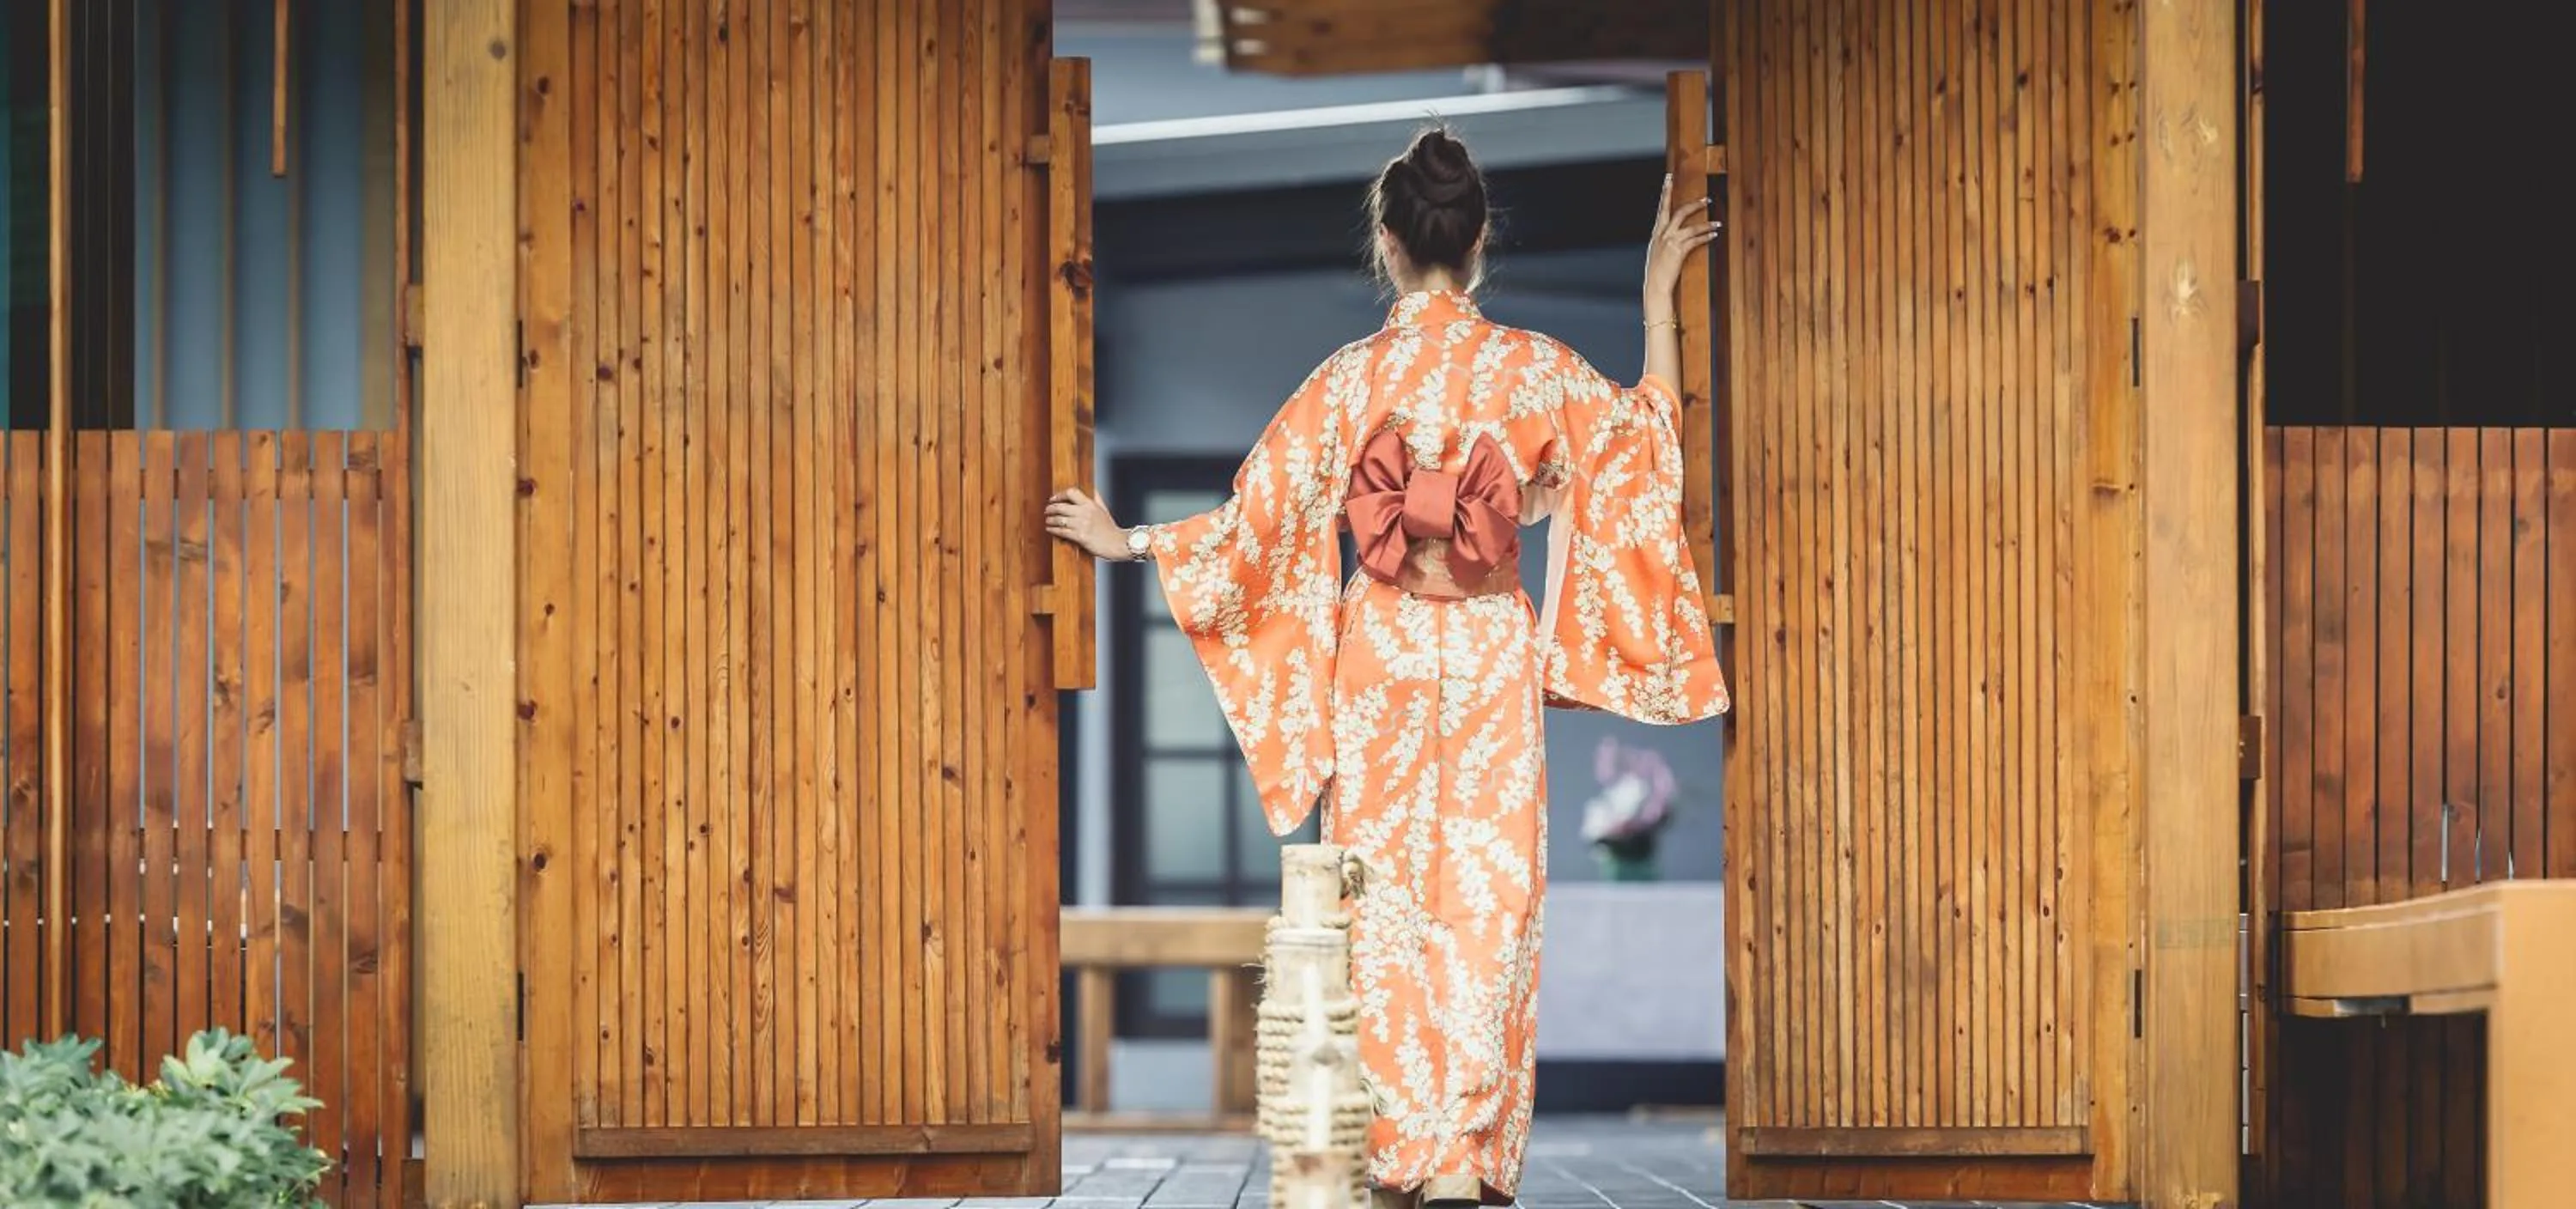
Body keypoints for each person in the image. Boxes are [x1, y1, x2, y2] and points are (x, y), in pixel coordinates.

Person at [1044, 127, 1728, 1208]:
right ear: (1480, 241)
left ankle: (1404, 1154)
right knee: (1492, 905)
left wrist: (1130, 540)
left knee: (1388, 908)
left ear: (1387, 242)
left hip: (1386, 656)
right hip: (1491, 649)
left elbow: (1251, 523)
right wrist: (1657, 293)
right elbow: (1645, 447)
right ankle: (1468, 1158)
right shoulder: (1534, 370)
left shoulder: (1352, 380)